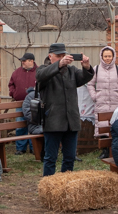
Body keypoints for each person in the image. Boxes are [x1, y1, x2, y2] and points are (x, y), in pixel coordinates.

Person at [35, 43, 94, 177]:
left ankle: (65, 185)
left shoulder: (71, 70)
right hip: (53, 121)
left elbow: (84, 78)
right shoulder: (43, 69)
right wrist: (59, 64)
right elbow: (40, 77)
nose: (62, 58)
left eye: (63, 55)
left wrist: (87, 68)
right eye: (58, 56)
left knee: (69, 157)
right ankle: (48, 187)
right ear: (50, 56)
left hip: (71, 121)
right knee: (50, 158)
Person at [84, 45, 118, 123]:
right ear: (101, 57)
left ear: (113, 57)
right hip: (100, 103)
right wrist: (94, 96)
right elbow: (90, 84)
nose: (107, 58)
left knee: (116, 124)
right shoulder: (96, 68)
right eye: (105, 56)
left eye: (109, 56)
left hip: (116, 102)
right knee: (101, 126)